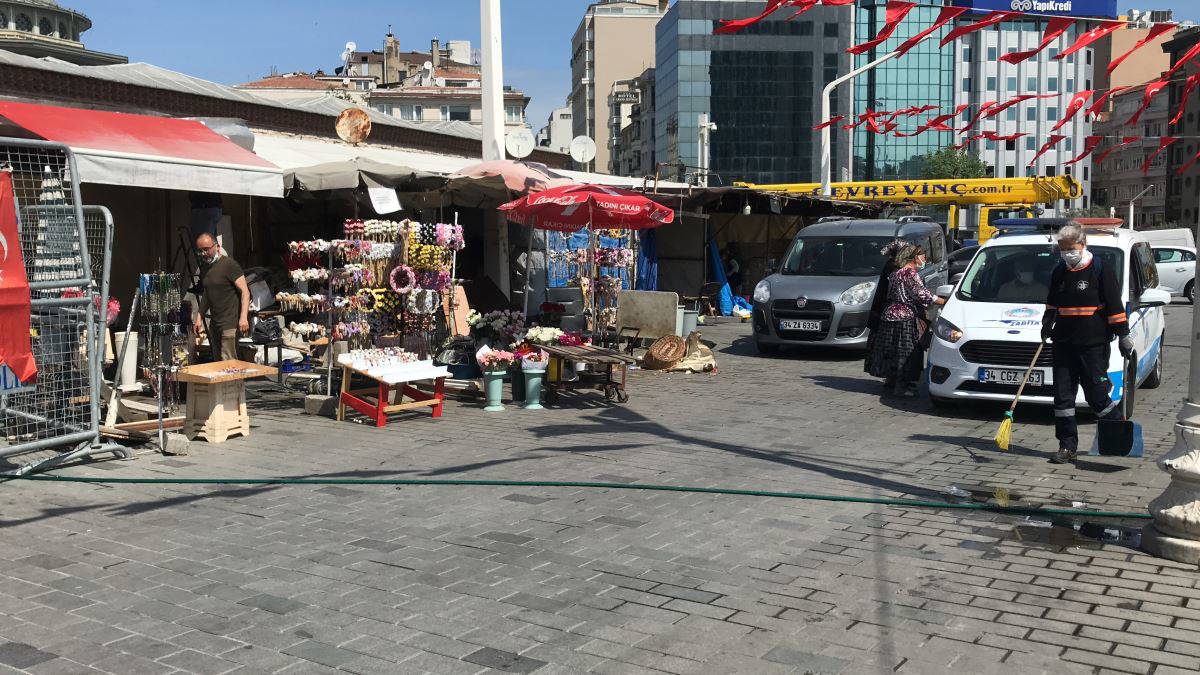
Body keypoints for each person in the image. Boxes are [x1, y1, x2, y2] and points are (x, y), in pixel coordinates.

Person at [1042, 222, 1131, 464]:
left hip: (1093, 343)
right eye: (1062, 249)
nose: (1066, 253)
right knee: (1062, 398)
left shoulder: (1101, 268)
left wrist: (1123, 334)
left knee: (1097, 395)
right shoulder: (1059, 271)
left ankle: (1117, 431)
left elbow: (1114, 304)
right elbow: (1052, 302)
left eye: (1070, 248)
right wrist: (1047, 322)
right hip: (1063, 343)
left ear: (1083, 245)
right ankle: (1067, 446)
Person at [865, 241, 945, 396]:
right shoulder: (910, 274)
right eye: (923, 257)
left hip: (888, 315)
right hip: (905, 317)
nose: (925, 260)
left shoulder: (895, 273)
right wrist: (944, 301)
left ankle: (891, 381)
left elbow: (889, 294)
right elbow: (923, 295)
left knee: (891, 350)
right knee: (906, 352)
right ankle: (903, 387)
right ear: (914, 257)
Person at [193, 233, 249, 361]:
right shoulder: (205, 268)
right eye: (200, 251)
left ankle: (234, 382)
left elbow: (245, 292)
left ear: (217, 247)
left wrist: (243, 317)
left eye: (206, 249)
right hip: (215, 325)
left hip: (229, 323)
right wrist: (199, 317)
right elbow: (207, 293)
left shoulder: (229, 265)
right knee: (218, 363)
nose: (203, 253)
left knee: (229, 363)